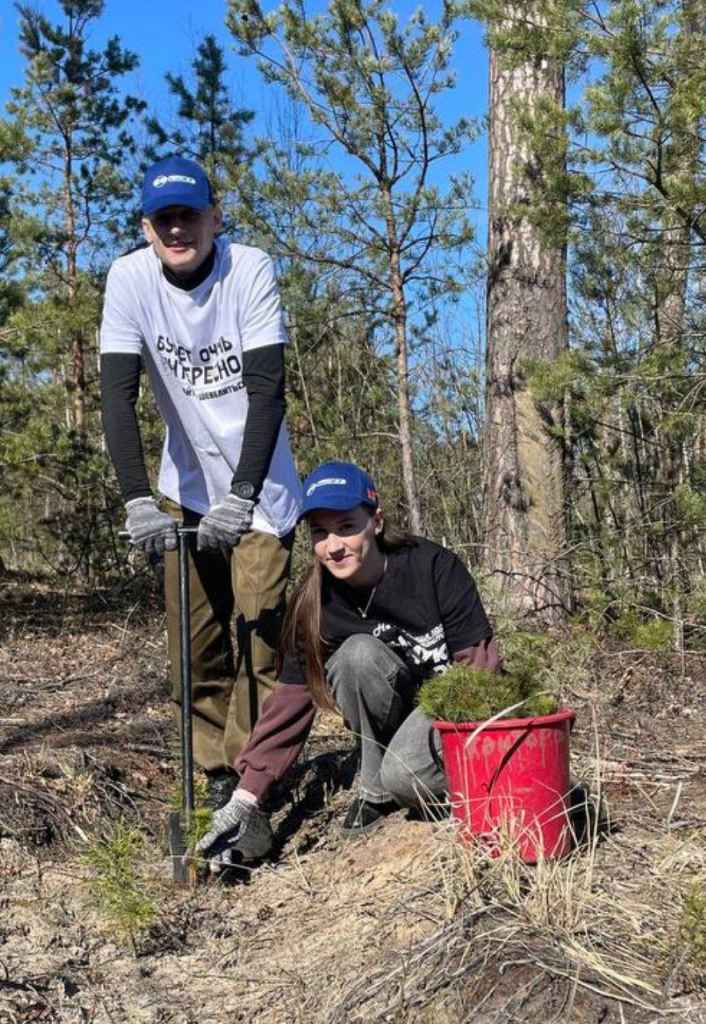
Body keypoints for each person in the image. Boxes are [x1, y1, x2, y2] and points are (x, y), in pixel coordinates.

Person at [100, 154, 302, 809]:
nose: (178, 229)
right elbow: (116, 395)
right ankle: (216, 771)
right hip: (181, 488)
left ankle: (255, 780)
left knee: (260, 640)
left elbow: (269, 391)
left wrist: (242, 496)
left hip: (261, 491)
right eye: (165, 220)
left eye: (190, 215)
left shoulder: (249, 269)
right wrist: (136, 496)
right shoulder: (129, 279)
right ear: (147, 226)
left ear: (215, 217)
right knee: (195, 646)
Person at [196, 460, 500, 867]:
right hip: (394, 713)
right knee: (355, 655)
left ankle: (419, 776)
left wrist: (478, 748)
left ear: (375, 522)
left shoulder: (431, 567)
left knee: (407, 776)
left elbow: (480, 668)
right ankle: (374, 790)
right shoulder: (314, 603)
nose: (333, 546)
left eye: (346, 527)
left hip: (448, 706)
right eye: (319, 533)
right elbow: (288, 703)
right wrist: (245, 799)